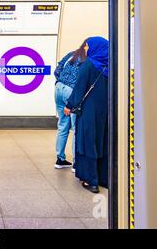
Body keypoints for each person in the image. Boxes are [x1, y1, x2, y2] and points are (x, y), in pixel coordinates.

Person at [65, 36, 109, 194]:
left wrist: (69, 105)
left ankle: (92, 181)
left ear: (95, 47)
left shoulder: (89, 64)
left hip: (89, 111)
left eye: (88, 47)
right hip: (106, 112)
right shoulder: (111, 65)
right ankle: (104, 178)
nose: (86, 49)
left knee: (87, 141)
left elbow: (79, 87)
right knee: (102, 142)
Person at [53, 39, 87, 170]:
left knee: (62, 125)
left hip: (58, 88)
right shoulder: (86, 60)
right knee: (75, 128)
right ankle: (76, 162)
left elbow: (56, 71)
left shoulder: (71, 55)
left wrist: (63, 81)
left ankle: (60, 159)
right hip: (71, 91)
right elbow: (83, 79)